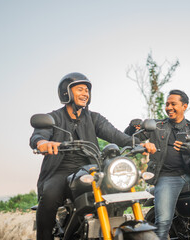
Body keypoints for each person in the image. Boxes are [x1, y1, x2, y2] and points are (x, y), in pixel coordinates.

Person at [29, 72, 156, 240]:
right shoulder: (54, 118)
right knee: (50, 196)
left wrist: (140, 144)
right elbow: (39, 135)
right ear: (66, 93)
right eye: (80, 89)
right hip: (61, 171)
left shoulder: (94, 118)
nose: (85, 94)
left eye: (87, 90)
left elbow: (117, 136)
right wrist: (43, 143)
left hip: (91, 169)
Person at [125, 89, 190, 240]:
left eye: (173, 104)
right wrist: (131, 127)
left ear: (184, 106)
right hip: (168, 177)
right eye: (167, 104)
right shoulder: (157, 126)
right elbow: (130, 138)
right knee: (163, 224)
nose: (168, 107)